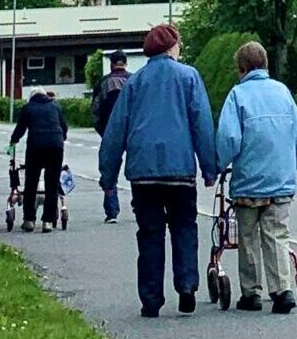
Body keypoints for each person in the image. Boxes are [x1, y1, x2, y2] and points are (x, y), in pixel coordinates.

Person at [99, 24, 218, 317]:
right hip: (180, 171)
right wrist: (209, 167)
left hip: (144, 172)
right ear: (172, 47)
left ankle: (151, 298)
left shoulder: (134, 83)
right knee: (184, 228)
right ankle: (187, 285)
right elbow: (201, 123)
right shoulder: (189, 76)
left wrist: (108, 175)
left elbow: (116, 131)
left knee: (150, 233)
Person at [213, 40, 297, 314]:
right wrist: (294, 164)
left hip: (249, 183)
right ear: (265, 65)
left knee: (248, 235)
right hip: (280, 181)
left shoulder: (237, 96)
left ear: (241, 69)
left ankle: (251, 293)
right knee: (277, 234)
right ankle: (282, 291)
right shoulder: (283, 92)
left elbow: (230, 137)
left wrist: (220, 164)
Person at [9, 89, 68, 233]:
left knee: (31, 184)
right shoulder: (55, 106)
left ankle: (29, 220)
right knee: (52, 185)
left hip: (35, 147)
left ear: (31, 97)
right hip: (55, 147)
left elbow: (21, 128)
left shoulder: (28, 107)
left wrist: (13, 141)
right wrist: (61, 138)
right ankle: (48, 221)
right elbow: (64, 127)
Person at [91, 50, 133, 223]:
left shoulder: (102, 83)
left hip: (110, 132)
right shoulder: (133, 81)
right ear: (125, 63)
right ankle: (139, 205)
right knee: (136, 168)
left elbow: (95, 110)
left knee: (109, 170)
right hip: (132, 131)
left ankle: (112, 211)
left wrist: (103, 131)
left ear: (111, 63)